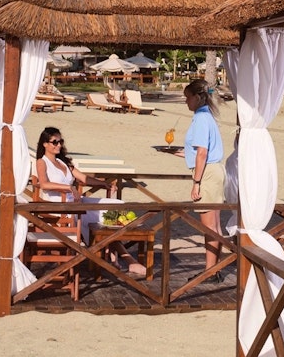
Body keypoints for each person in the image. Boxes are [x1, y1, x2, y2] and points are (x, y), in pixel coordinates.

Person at [33, 127, 147, 277]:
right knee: (96, 218)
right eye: (54, 142)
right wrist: (68, 188)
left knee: (116, 205)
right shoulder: (42, 162)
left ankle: (113, 251)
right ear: (45, 144)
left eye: (60, 141)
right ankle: (123, 258)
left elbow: (83, 178)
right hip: (59, 206)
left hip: (75, 202)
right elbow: (44, 184)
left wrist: (103, 184)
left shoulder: (63, 162)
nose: (58, 145)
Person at [175, 79, 225, 277]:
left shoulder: (202, 118)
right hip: (212, 170)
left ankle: (210, 271)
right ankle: (215, 268)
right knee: (215, 225)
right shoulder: (205, 116)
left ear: (197, 97)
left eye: (188, 98)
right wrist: (181, 153)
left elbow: (203, 152)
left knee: (209, 226)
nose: (186, 102)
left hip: (208, 173)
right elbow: (199, 150)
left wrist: (196, 183)